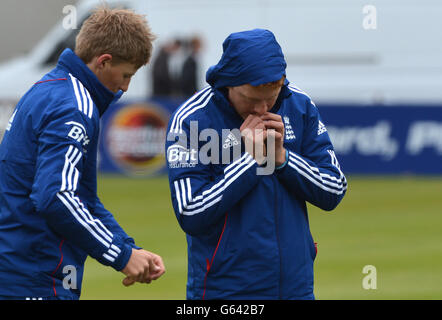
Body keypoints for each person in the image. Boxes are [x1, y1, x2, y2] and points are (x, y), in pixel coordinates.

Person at [165, 29, 347, 300]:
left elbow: (334, 190)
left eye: (271, 98)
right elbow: (190, 212)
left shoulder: (300, 106)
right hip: (225, 291)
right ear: (228, 84)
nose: (263, 110)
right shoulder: (193, 120)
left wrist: (283, 160)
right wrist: (250, 162)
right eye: (251, 100)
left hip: (296, 289)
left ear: (282, 82)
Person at [0, 6, 165, 300]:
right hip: (34, 274)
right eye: (126, 75)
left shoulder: (48, 87)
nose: (125, 88)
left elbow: (82, 197)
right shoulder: (74, 107)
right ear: (103, 61)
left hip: (19, 265)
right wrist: (121, 255)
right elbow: (56, 197)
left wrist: (128, 246)